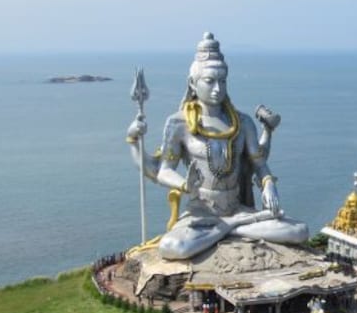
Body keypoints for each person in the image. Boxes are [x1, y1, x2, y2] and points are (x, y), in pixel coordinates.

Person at [126, 32, 308, 259]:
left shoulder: (242, 123)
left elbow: (259, 163)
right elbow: (163, 170)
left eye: (222, 81)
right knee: (174, 246)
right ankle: (228, 229)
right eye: (210, 81)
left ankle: (227, 227)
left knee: (299, 231)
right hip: (201, 214)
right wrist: (185, 185)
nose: (217, 88)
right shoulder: (179, 123)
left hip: (238, 211)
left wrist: (268, 183)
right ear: (193, 83)